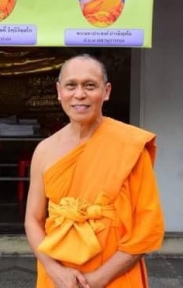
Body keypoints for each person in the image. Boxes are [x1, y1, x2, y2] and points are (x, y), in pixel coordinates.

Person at [24, 54, 164, 288]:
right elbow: (33, 219)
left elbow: (147, 228)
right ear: (59, 91)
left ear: (106, 91)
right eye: (71, 85)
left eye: (90, 85)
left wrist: (99, 279)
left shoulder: (130, 145)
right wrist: (54, 270)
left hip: (115, 276)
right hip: (60, 277)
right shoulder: (44, 150)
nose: (79, 94)